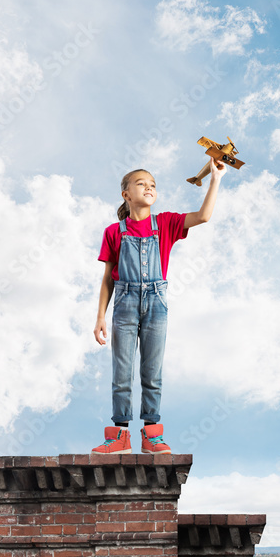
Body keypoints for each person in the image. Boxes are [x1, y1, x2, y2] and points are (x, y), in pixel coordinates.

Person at [91, 158, 226, 454]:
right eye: (141, 183)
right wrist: (101, 316)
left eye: (152, 184)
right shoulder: (114, 232)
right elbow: (107, 279)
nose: (149, 187)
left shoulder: (165, 223)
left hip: (156, 303)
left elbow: (203, 217)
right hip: (124, 304)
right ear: (126, 194)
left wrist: (215, 178)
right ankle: (119, 436)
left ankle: (152, 435)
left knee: (152, 372)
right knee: (121, 372)